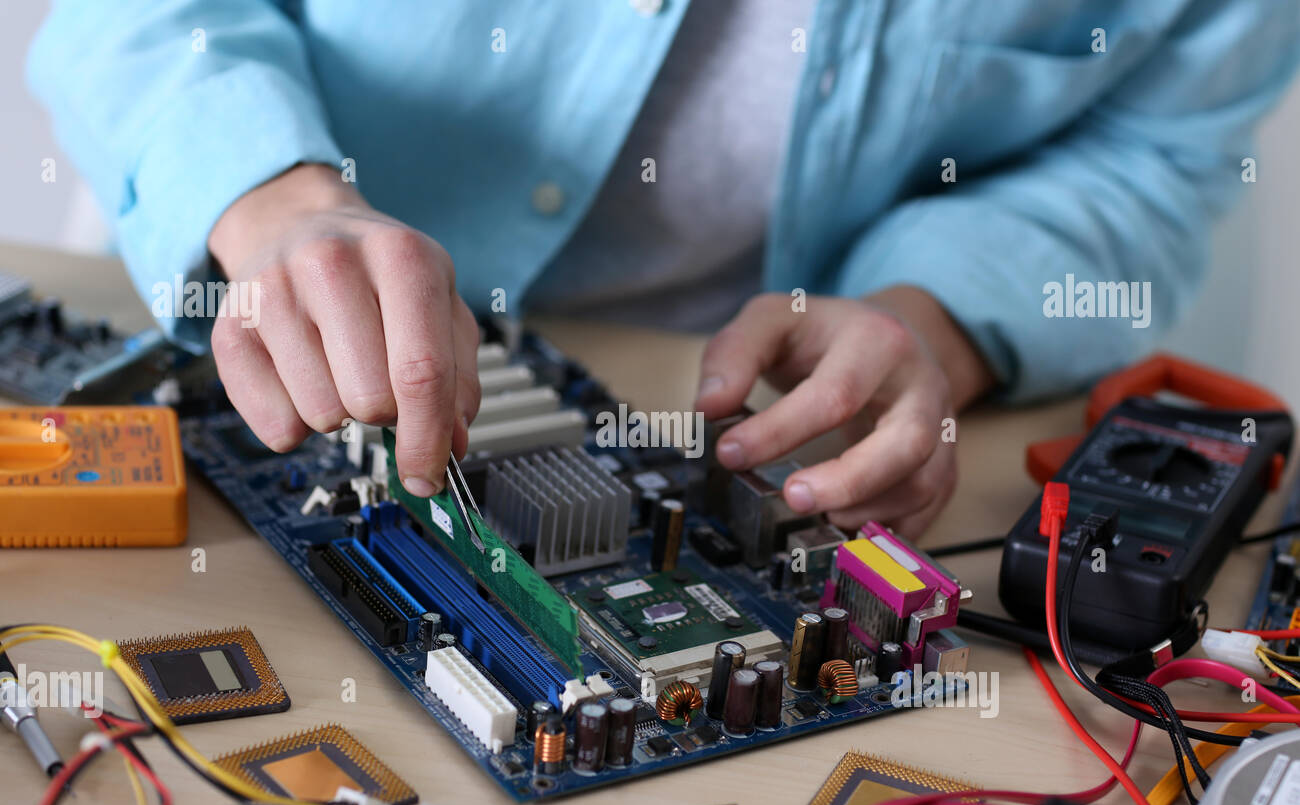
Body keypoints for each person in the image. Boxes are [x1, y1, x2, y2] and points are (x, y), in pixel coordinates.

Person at [28, 0, 1300, 538]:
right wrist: (271, 197)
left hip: (714, 405)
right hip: (225, 294)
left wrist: (931, 318)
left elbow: (1153, 155)